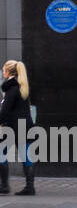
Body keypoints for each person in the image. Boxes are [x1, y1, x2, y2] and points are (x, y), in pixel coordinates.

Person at [0, 60, 35, 196]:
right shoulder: (21, 87)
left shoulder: (11, 89)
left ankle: (4, 186)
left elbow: (5, 111)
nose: (3, 72)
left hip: (13, 127)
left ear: (8, 72)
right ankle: (30, 187)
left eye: (4, 70)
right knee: (26, 156)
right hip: (24, 126)